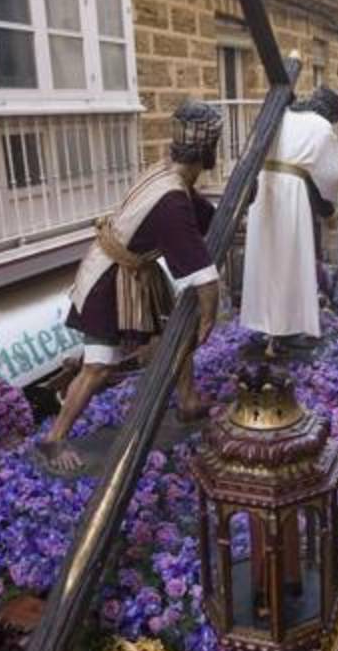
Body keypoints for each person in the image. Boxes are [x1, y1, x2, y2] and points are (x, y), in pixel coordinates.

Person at [41, 101, 223, 472]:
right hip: (107, 280)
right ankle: (52, 441)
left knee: (177, 331)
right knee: (99, 367)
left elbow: (198, 211)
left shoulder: (168, 174)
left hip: (125, 272)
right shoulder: (172, 200)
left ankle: (187, 400)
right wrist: (209, 316)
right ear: (208, 152)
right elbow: (202, 276)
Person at [240, 86, 338, 357]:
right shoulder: (321, 126)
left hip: (263, 188)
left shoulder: (281, 115)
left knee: (265, 259)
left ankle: (266, 324)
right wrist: (331, 207)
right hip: (292, 195)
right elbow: (334, 174)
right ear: (331, 112)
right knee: (290, 263)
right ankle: (288, 329)